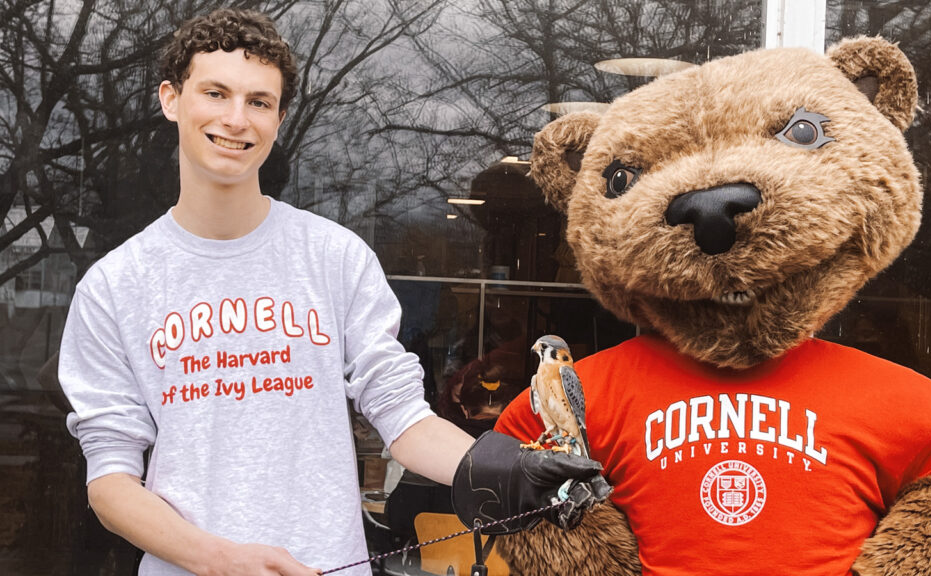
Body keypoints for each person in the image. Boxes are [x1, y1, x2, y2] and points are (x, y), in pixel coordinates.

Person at [58, 8, 605, 576]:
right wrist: (220, 560)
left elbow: (402, 420)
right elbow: (111, 480)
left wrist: (507, 469)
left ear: (280, 117)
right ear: (172, 99)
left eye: (259, 101)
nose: (236, 119)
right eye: (215, 93)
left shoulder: (334, 258)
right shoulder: (115, 286)